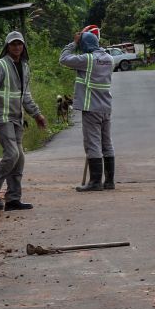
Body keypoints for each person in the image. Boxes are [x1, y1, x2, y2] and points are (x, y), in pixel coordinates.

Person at [0, 30, 46, 211]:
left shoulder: (24, 66)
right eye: (13, 44)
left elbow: (25, 95)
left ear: (23, 46)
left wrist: (37, 114)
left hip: (17, 117)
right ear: (7, 46)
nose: (17, 47)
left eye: (19, 44)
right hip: (1, 117)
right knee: (12, 154)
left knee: (19, 158)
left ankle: (13, 199)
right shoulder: (0, 66)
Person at [59, 27, 115, 192]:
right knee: (107, 143)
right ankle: (109, 181)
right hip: (106, 107)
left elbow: (63, 59)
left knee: (93, 144)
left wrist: (74, 43)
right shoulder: (110, 59)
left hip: (91, 107)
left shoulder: (87, 59)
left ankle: (95, 182)